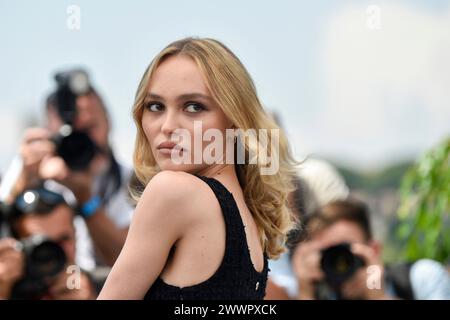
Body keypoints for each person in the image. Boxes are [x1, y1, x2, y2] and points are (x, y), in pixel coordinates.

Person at [98, 37, 298, 299]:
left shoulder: (172, 191)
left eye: (193, 107)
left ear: (235, 120)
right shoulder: (248, 217)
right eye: (155, 106)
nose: (167, 126)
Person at [0, 70, 134, 267]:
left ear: (108, 122)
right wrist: (19, 185)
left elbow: (131, 263)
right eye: (71, 133)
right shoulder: (30, 173)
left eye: (90, 128)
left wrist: (86, 201)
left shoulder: (132, 181)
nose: (82, 142)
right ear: (49, 132)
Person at [290, 199, 450, 300]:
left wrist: (378, 296)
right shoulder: (318, 293)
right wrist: (305, 293)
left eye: (345, 250)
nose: (340, 262)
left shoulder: (421, 277)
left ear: (373, 250)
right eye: (327, 254)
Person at [0, 188, 96, 299]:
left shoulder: (104, 286)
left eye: (63, 239)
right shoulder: (5, 289)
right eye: (42, 244)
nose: (54, 250)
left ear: (75, 234)